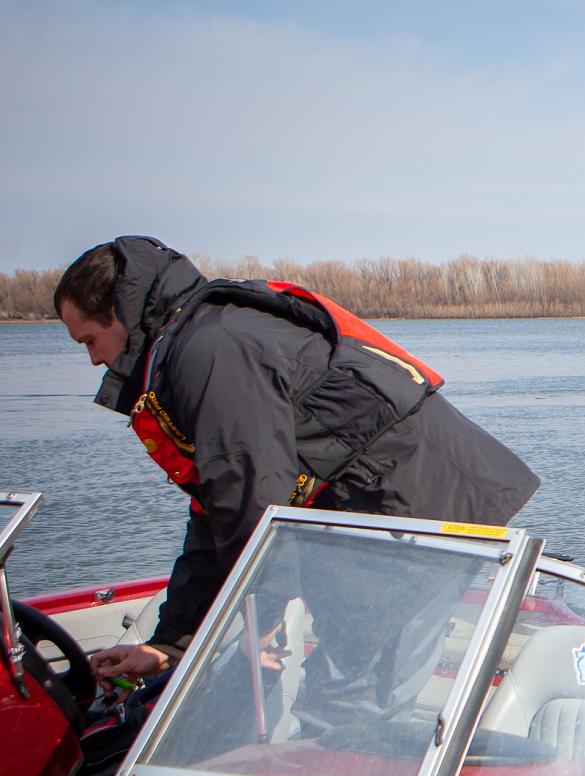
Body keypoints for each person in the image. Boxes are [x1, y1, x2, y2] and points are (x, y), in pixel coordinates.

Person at [56, 236, 540, 685]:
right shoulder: (195, 343)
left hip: (413, 513)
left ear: (119, 314)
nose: (95, 361)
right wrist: (171, 641)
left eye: (89, 342)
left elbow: (253, 498)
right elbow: (217, 510)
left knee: (352, 700)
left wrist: (259, 620)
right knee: (340, 687)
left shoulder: (212, 347)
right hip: (376, 521)